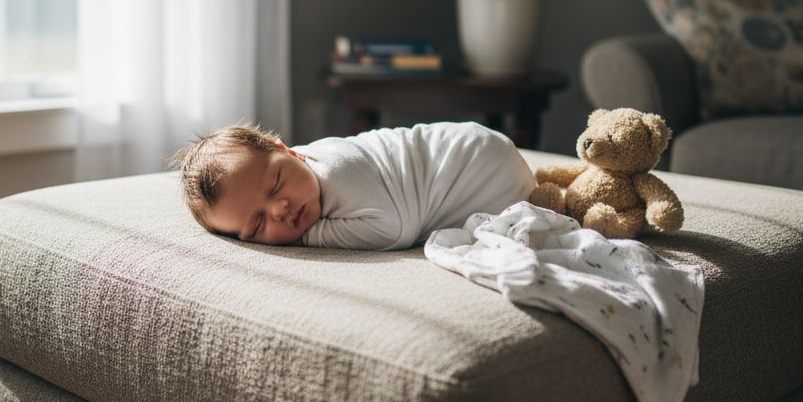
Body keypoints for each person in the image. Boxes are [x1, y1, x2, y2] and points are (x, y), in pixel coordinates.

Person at [170, 121, 535, 250]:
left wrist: (307, 237)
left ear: (289, 151)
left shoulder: (338, 170)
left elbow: (394, 230)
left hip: (481, 167)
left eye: (276, 184)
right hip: (487, 151)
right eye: (258, 224)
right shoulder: (299, 174)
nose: (280, 209)